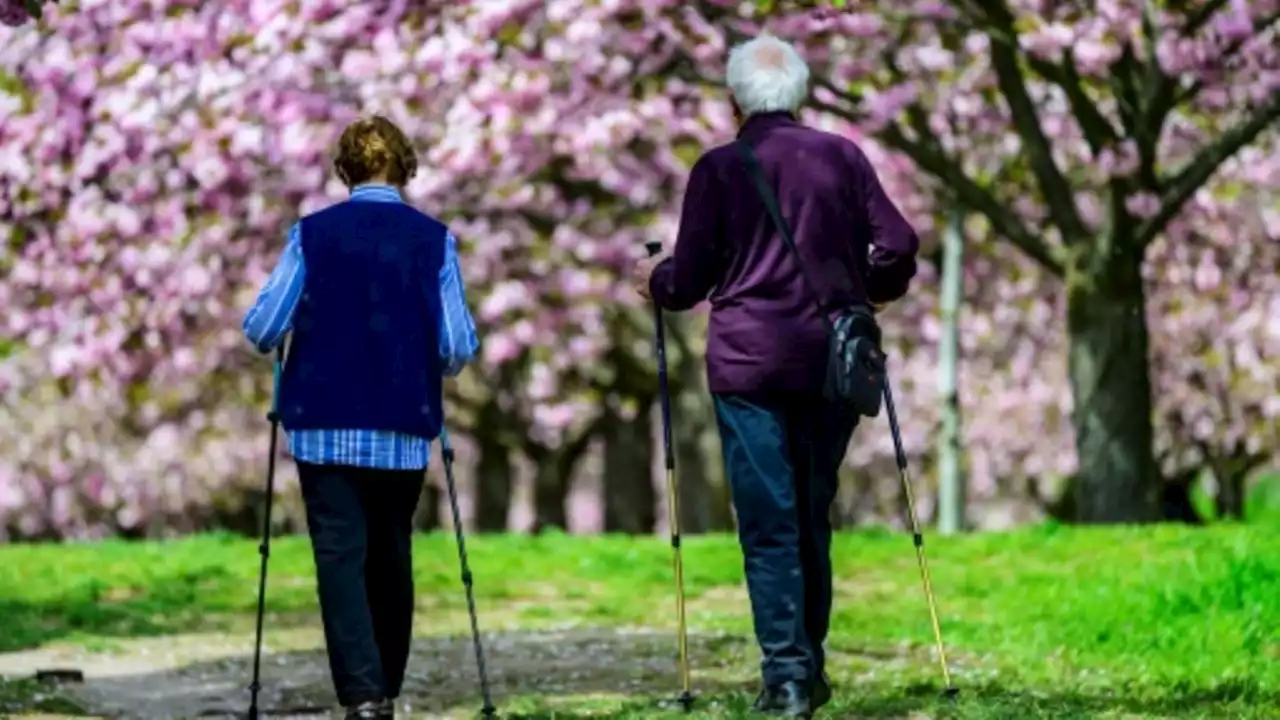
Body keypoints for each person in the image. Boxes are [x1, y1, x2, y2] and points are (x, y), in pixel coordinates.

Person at [632, 35, 919, 718]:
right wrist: (867, 288)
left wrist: (658, 280)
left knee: (769, 522)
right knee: (811, 513)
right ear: (800, 94)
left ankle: (787, 678)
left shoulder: (720, 168)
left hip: (749, 364)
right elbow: (900, 243)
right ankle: (808, 667)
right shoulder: (841, 156)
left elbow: (692, 278)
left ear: (733, 100)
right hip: (829, 363)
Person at [242, 116, 479, 720]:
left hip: (322, 426)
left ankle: (364, 695)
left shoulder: (312, 235)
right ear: (406, 166)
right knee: (391, 554)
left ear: (343, 170)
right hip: (402, 426)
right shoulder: (434, 240)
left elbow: (265, 327)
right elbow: (456, 345)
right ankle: (388, 687)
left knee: (340, 560)